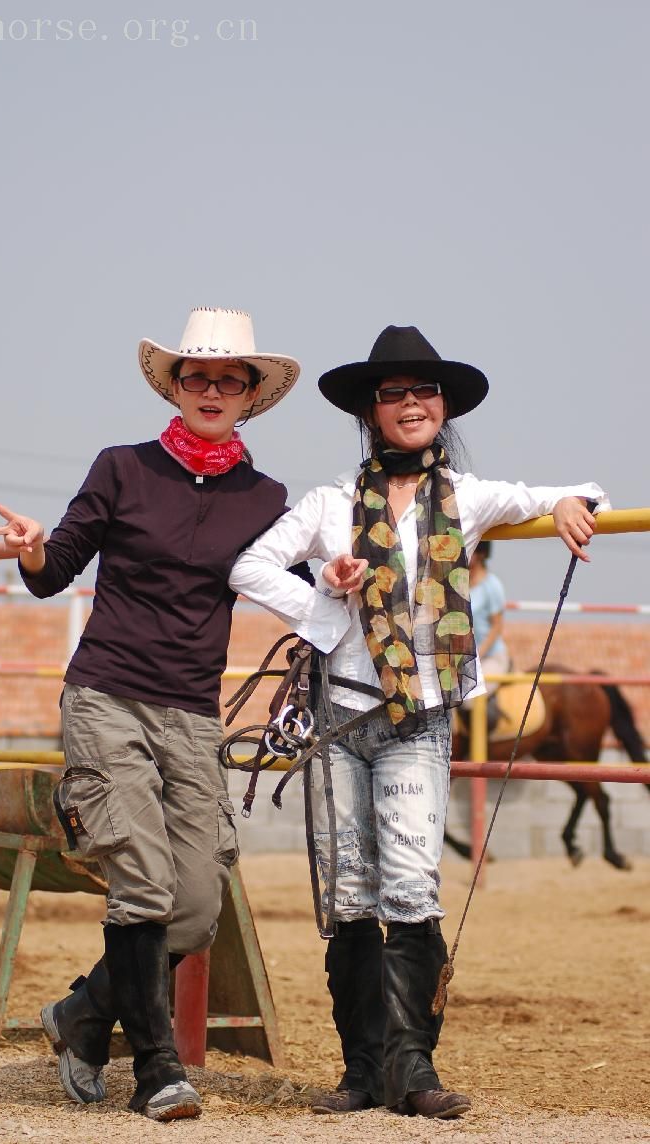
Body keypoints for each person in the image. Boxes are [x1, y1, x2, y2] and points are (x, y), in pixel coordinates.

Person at [228, 325, 608, 1120]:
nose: (411, 404)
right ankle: (362, 1072)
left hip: (418, 720)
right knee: (349, 895)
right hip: (339, 718)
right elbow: (249, 565)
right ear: (370, 410)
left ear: (443, 407)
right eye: (394, 393)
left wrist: (575, 503)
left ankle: (413, 1070)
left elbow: (562, 493)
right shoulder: (331, 502)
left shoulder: (469, 500)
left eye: (424, 392)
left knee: (409, 885)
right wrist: (326, 602)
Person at [0, 307, 300, 1121]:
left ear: (252, 396)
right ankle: (158, 1070)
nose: (214, 390)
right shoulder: (121, 467)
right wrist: (30, 549)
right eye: (198, 376)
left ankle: (83, 1015)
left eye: (232, 379)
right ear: (176, 385)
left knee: (196, 904)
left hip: (193, 713)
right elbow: (56, 572)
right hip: (109, 695)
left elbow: (298, 575)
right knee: (144, 887)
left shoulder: (267, 497)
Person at [468, 541, 511, 691]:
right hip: (465, 659)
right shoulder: (458, 584)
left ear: (481, 553)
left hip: (491, 657)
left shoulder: (492, 585)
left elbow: (497, 626)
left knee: (473, 694)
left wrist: (478, 653)